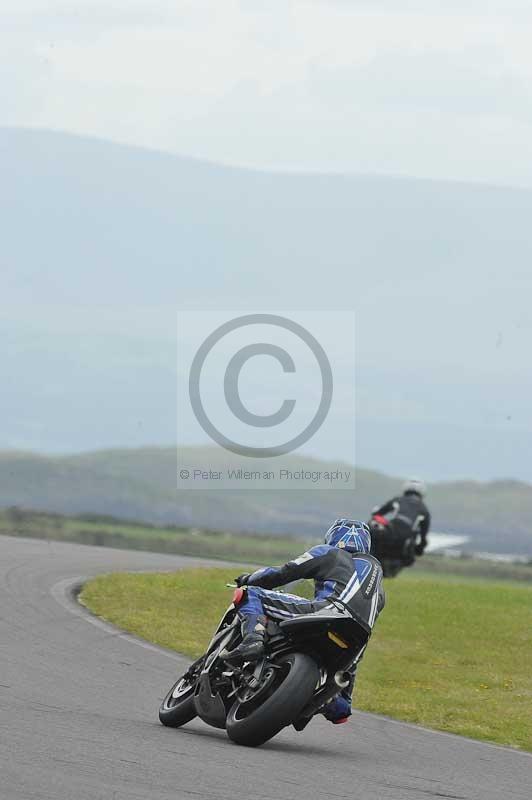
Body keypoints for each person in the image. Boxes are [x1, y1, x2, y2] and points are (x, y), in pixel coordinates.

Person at [221, 519, 384, 724]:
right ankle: (334, 700)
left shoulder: (329, 552)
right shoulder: (378, 584)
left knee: (249, 595)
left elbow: (284, 572)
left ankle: (253, 639)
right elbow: (361, 632)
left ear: (333, 537)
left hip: (327, 611)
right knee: (341, 705)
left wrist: (250, 579)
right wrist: (344, 689)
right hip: (356, 641)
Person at [371, 478, 431, 566]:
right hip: (407, 539)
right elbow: (424, 536)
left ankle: (366, 557)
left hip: (391, 531)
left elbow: (379, 512)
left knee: (372, 529)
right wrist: (420, 548)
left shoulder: (398, 500)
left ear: (406, 488)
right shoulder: (424, 509)